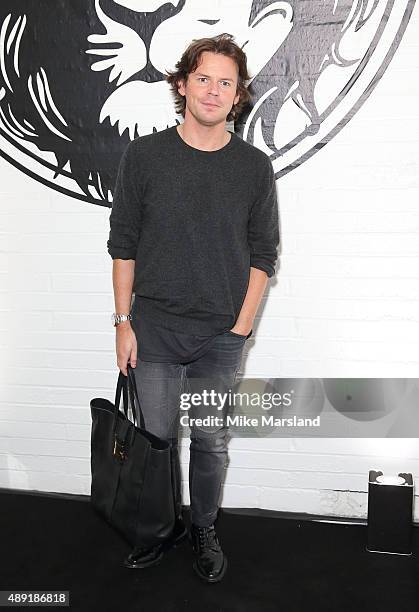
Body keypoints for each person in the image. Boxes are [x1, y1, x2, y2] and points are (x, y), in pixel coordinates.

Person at [107, 32, 279, 583]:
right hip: (153, 329)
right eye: (202, 78)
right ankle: (159, 529)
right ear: (181, 84)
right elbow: (124, 242)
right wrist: (122, 322)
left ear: (238, 95)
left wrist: (243, 324)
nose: (212, 90)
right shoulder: (145, 156)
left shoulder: (254, 167)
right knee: (157, 443)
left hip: (218, 338)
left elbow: (263, 253)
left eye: (225, 82)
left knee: (209, 441)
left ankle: (203, 526)